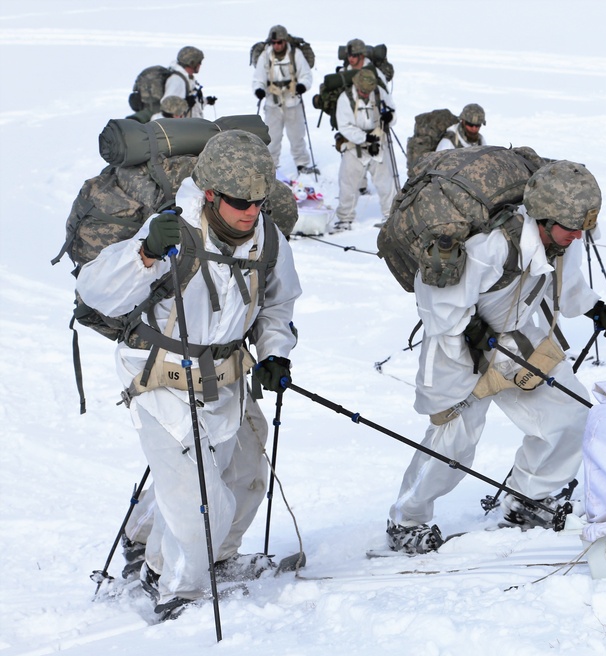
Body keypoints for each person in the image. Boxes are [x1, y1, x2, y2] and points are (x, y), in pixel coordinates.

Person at [76, 130, 302, 620]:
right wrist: (146, 255)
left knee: (244, 476)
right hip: (160, 376)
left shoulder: (269, 237)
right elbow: (97, 292)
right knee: (200, 499)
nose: (250, 211)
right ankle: (180, 589)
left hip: (224, 377)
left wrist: (274, 352)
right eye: (240, 201)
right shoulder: (174, 230)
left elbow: (278, 304)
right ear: (212, 195)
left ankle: (173, 551)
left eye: (260, 201)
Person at [385, 160, 606, 554]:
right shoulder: (491, 246)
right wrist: (468, 328)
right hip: (455, 348)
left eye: (583, 227)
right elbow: (436, 298)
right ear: (544, 218)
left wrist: (593, 306)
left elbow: (567, 281)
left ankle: (529, 498)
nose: (578, 235)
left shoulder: (560, 241)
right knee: (452, 444)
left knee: (571, 415)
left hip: (518, 337)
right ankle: (406, 521)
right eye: (571, 227)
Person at [333, 68, 397, 231]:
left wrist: (390, 117)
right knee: (347, 182)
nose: (366, 94)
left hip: (378, 143)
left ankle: (391, 215)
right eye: (363, 91)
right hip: (355, 147)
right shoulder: (345, 99)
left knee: (386, 181)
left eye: (368, 91)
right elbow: (345, 126)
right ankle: (345, 218)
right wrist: (364, 138)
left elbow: (392, 112)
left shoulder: (380, 93)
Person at [252, 25, 317, 175]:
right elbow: (258, 77)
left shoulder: (296, 54)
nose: (277, 45)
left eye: (279, 42)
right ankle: (270, 166)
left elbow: (306, 75)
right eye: (274, 42)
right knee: (272, 137)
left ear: (285, 41)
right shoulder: (265, 55)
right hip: (272, 102)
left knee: (297, 136)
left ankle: (302, 164)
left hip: (293, 100)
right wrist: (259, 89)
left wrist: (302, 86)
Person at [163, 46, 215, 119]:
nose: (200, 65)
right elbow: (167, 106)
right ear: (192, 62)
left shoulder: (186, 79)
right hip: (183, 128)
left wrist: (206, 100)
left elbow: (192, 101)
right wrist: (186, 104)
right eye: (199, 62)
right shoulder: (177, 81)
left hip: (190, 125)